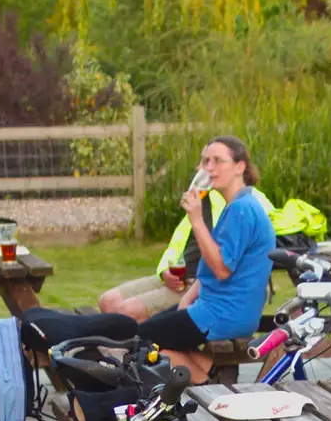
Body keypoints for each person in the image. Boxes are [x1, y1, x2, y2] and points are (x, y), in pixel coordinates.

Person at [134, 136, 275, 384]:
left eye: (217, 161)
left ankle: (206, 385)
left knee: (142, 341)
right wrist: (189, 295)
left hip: (224, 315)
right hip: (217, 308)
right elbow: (216, 263)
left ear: (239, 167)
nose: (208, 168)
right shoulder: (238, 204)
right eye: (206, 161)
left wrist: (196, 219)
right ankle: (211, 372)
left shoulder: (242, 209)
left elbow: (221, 269)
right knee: (155, 335)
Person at [98, 163, 226, 322]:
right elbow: (176, 245)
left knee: (127, 311)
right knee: (108, 301)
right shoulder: (200, 201)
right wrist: (165, 270)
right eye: (202, 161)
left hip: (198, 285)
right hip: (177, 277)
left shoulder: (237, 202)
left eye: (210, 161)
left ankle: (145, 345)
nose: (199, 168)